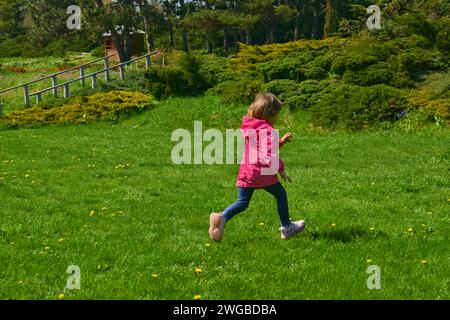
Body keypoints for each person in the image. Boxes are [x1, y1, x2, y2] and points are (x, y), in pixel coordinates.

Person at [209, 93, 306, 242]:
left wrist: (281, 142)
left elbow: (262, 146)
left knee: (242, 203)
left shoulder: (251, 126)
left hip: (248, 171)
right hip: (263, 173)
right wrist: (281, 169)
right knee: (280, 194)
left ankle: (221, 218)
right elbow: (269, 155)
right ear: (271, 114)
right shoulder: (269, 131)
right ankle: (287, 227)